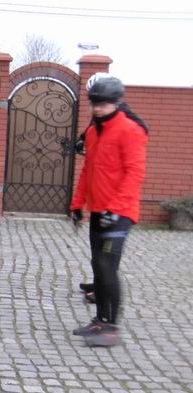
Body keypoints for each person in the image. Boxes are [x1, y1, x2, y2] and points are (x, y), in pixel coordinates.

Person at [70, 73, 148, 347]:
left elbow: (134, 173)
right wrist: (77, 205)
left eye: (103, 104)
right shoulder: (92, 132)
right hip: (99, 211)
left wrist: (115, 209)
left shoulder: (130, 130)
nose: (98, 108)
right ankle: (100, 320)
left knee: (106, 267)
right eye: (94, 104)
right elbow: (88, 171)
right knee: (97, 265)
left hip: (120, 213)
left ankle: (111, 327)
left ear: (116, 102)